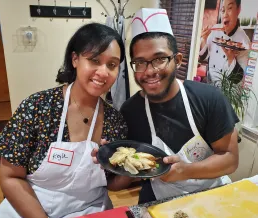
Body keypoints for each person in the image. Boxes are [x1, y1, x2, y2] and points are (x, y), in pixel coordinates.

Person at [92, 8, 239, 204]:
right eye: (140, 62)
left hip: (212, 196)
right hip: (160, 200)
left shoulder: (209, 98)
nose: (149, 71)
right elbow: (122, 179)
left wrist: (186, 171)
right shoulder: (130, 110)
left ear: (177, 60)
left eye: (160, 59)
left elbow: (230, 159)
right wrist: (111, 161)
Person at [0, 23, 128, 218]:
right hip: (29, 216)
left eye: (112, 64)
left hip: (89, 215)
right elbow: (10, 177)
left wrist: (134, 170)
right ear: (75, 59)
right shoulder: (37, 107)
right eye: (94, 60)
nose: (103, 72)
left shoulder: (114, 120)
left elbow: (112, 184)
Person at [199, 0, 250, 84]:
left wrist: (231, 58)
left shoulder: (243, 40)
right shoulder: (215, 30)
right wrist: (204, 39)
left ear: (238, 10)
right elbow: (203, 57)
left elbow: (239, 79)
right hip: (210, 81)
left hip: (226, 89)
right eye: (223, 10)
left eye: (229, 8)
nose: (225, 15)